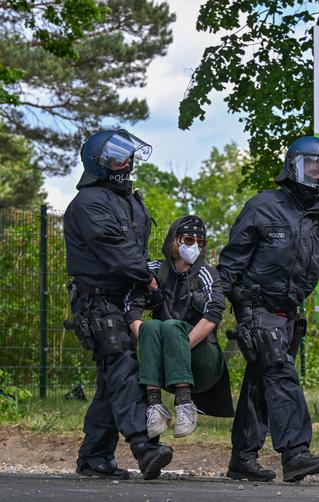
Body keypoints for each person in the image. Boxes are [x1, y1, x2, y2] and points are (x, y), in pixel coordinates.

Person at [217, 136, 319, 483]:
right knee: (281, 372)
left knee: (262, 382)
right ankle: (295, 454)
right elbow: (229, 265)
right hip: (256, 308)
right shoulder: (263, 206)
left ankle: (242, 459)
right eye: (312, 167)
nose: (318, 175)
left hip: (289, 314)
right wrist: (216, 308)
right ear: (293, 166)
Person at [64, 129, 173, 480]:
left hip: (124, 300)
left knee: (112, 382)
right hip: (97, 304)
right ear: (99, 162)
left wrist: (149, 284)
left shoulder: (130, 199)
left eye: (127, 156)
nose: (125, 163)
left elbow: (136, 255)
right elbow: (119, 252)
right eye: (116, 157)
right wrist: (148, 276)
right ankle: (144, 446)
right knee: (124, 368)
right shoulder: (89, 202)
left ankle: (95, 458)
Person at [125, 215, 234, 439]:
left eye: (200, 242)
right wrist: (150, 344)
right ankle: (155, 406)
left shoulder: (207, 272)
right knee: (154, 326)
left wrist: (177, 348)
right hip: (164, 362)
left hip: (202, 358)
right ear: (174, 240)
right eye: (188, 240)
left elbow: (214, 314)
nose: (194, 246)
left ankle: (185, 403)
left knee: (172, 327)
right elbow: (131, 308)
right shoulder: (153, 270)